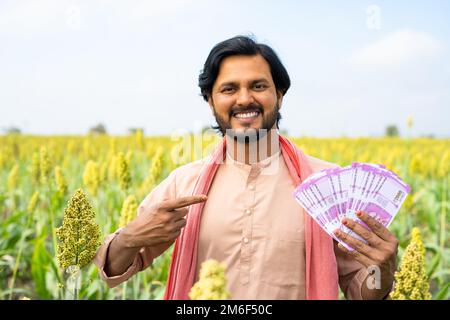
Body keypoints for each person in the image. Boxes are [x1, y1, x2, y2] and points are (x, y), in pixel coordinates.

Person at [94, 35, 398, 300]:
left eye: (258, 86)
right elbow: (114, 269)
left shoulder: (329, 186)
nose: (244, 99)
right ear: (210, 102)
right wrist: (130, 238)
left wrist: (381, 271)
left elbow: (361, 291)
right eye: (228, 89)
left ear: (279, 95)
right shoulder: (184, 183)